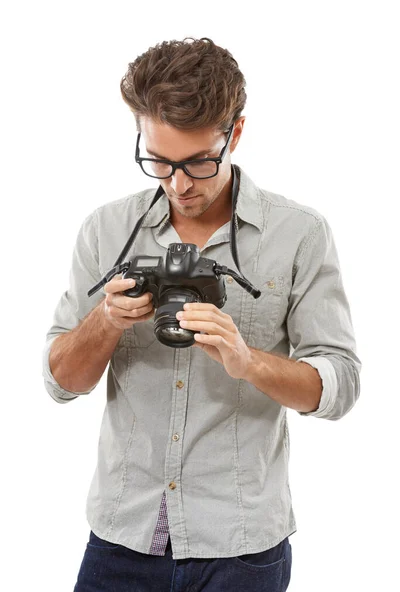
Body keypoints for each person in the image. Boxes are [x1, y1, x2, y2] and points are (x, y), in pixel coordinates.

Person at [42, 37, 362, 592]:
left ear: (235, 133)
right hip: (123, 533)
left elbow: (340, 386)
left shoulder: (300, 234)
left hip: (241, 545)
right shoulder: (105, 231)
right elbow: (59, 383)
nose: (178, 184)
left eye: (197, 162)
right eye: (159, 161)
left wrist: (246, 362)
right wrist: (107, 320)